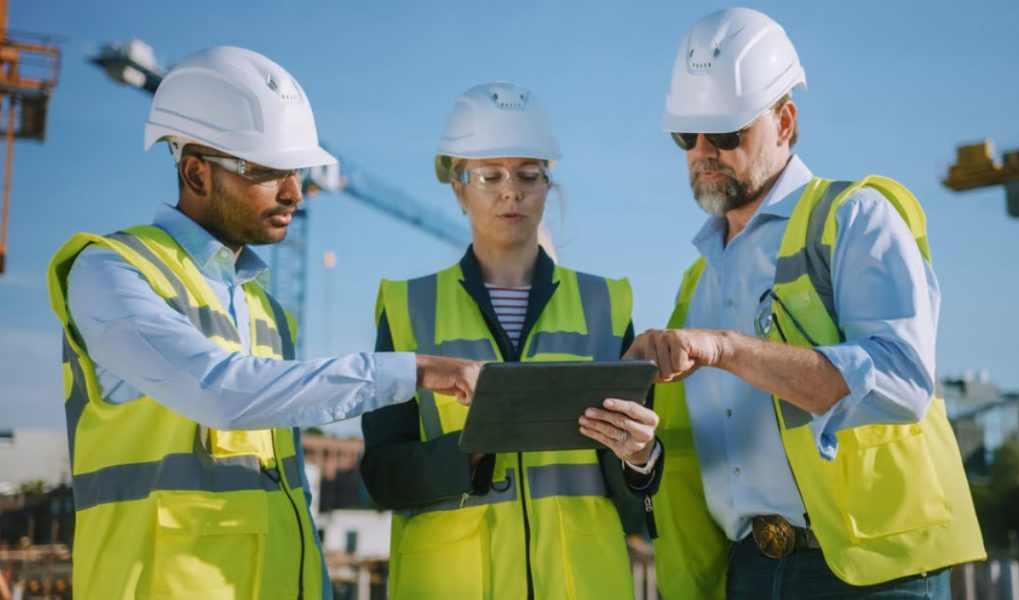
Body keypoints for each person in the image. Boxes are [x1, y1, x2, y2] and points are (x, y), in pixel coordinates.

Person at [45, 46, 480, 599]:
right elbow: (219, 388)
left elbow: (290, 490)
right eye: (267, 170)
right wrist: (410, 371)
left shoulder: (265, 310)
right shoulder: (110, 273)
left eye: (295, 170)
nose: (295, 192)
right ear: (195, 172)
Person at [629, 8, 986, 599]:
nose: (701, 151)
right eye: (685, 136)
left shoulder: (854, 219)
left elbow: (902, 381)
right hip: (747, 571)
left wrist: (727, 349)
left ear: (785, 121)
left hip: (873, 574)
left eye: (724, 134)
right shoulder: (697, 282)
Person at [360, 82, 663, 600]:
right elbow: (384, 475)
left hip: (581, 585)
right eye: (489, 176)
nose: (511, 191)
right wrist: (469, 455)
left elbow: (633, 503)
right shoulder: (407, 309)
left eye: (528, 175)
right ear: (458, 187)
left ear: (548, 186)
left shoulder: (605, 307)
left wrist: (642, 459)